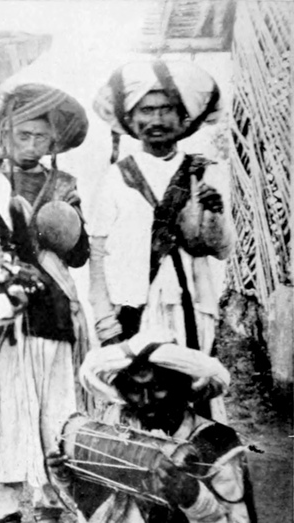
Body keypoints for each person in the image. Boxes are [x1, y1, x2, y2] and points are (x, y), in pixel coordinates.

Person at [50, 332, 257, 523]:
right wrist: (66, 476)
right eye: (134, 390)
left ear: (182, 387)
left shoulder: (215, 443)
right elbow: (89, 501)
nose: (146, 401)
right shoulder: (117, 425)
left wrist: (195, 500)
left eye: (158, 387)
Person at [0, 83, 92, 523]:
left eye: (42, 137)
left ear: (54, 141)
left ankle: (49, 508)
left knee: (55, 411)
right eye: (23, 135)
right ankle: (7, 516)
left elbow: (79, 255)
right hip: (10, 312)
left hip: (56, 308)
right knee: (8, 412)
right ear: (4, 135)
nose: (32, 144)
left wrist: (65, 225)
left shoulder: (64, 185)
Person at [88, 60, 236, 363]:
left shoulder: (202, 173)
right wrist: (104, 319)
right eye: (146, 110)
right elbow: (98, 253)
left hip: (190, 306)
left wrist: (214, 213)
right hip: (133, 310)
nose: (156, 119)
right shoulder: (116, 178)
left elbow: (222, 250)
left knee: (190, 384)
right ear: (131, 119)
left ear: (183, 118)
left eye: (166, 109)